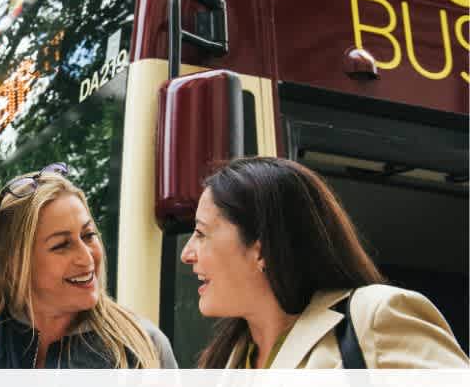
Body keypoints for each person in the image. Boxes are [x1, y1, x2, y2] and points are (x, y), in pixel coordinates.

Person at [181, 156, 468, 369]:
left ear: (262, 249)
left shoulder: (376, 316)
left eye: (201, 233)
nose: (187, 253)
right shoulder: (224, 362)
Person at [0, 163, 176, 369]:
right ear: (13, 264)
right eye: (61, 245)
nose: (87, 257)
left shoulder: (144, 346)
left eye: (89, 235)